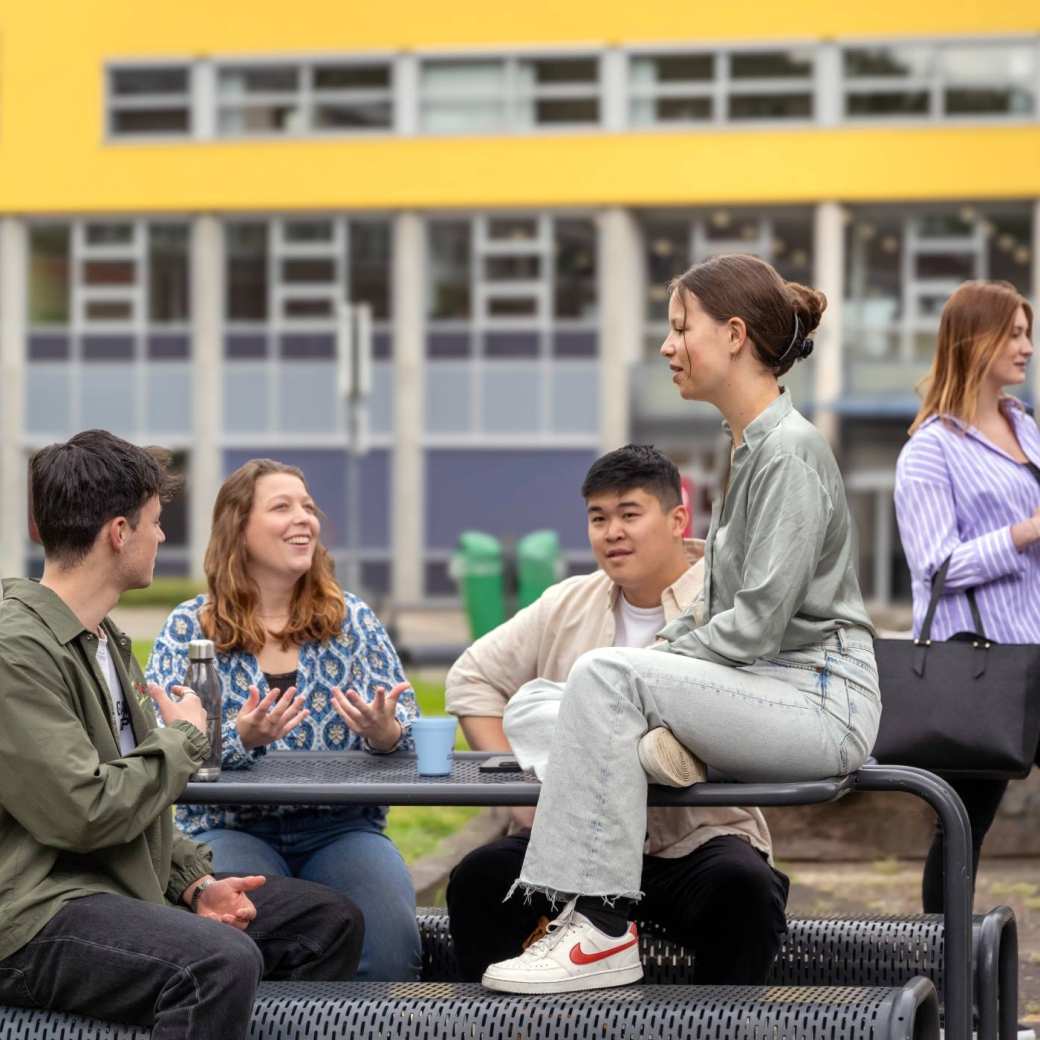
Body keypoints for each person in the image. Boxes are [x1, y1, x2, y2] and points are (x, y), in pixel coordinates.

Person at [479, 253, 881, 995]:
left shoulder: (790, 452)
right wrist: (661, 663)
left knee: (604, 678)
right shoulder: (753, 448)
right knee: (543, 702)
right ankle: (651, 746)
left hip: (819, 704)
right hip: (764, 691)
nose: (667, 347)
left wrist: (652, 662)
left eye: (678, 328)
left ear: (733, 335)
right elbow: (716, 609)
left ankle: (599, 925)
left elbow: (755, 626)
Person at [0, 431, 362, 1039]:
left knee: (326, 921)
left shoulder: (104, 638)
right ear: (120, 532)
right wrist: (186, 738)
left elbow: (137, 802)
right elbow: (83, 811)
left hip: (113, 885)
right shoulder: (16, 651)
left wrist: (194, 882)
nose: (161, 536)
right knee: (214, 964)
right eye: (155, 521)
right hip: (35, 911)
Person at [445, 444, 788, 985]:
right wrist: (524, 790)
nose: (612, 532)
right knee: (479, 879)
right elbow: (472, 678)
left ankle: (722, 1026)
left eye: (630, 514)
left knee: (743, 886)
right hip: (576, 845)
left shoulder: (731, 605)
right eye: (598, 518)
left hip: (694, 838)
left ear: (678, 520)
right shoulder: (568, 602)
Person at [146, 458, 422, 981]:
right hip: (228, 825)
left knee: (390, 949)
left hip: (342, 827)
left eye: (308, 507)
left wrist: (386, 734)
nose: (304, 519)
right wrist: (238, 739)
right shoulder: (190, 626)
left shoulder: (352, 620)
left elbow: (408, 726)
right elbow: (159, 742)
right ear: (238, 528)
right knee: (247, 942)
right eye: (282, 507)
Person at [894, 280, 1040, 914]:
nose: (1027, 346)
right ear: (974, 339)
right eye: (1013, 332)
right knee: (962, 827)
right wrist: (1025, 532)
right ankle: (947, 974)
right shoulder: (930, 450)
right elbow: (935, 567)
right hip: (982, 666)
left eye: (1028, 332)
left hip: (1035, 653)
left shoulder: (1024, 425)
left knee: (966, 824)